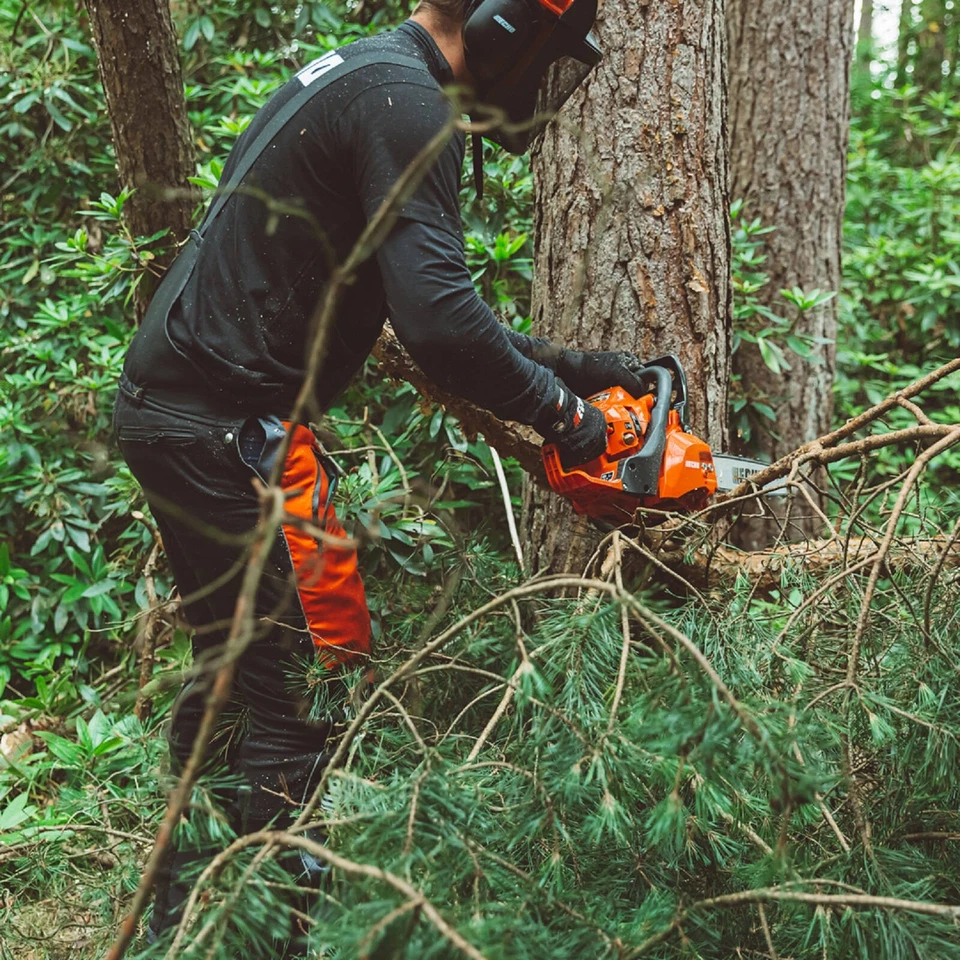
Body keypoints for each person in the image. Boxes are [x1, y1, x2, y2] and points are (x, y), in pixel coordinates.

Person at [114, 0, 648, 946]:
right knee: (295, 700)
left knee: (235, 679)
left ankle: (177, 924)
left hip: (180, 415)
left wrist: (576, 369)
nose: (542, 86)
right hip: (222, 431)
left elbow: (426, 303)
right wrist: (569, 425)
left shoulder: (374, 74)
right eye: (549, 57)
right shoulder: (413, 108)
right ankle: (253, 935)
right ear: (501, 28)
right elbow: (442, 325)